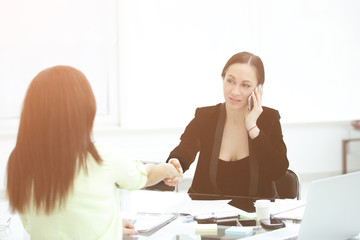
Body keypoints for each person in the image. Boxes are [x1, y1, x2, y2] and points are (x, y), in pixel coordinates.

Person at [6, 65, 182, 240]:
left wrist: (108, 223)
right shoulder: (101, 157)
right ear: (84, 112)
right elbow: (144, 175)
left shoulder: (20, 162)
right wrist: (168, 169)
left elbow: (39, 223)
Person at [165, 52, 289, 202]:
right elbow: (185, 149)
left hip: (254, 217)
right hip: (207, 215)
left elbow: (277, 170)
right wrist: (176, 162)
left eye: (245, 85)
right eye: (230, 81)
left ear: (258, 89)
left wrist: (253, 128)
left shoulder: (269, 119)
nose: (235, 91)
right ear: (223, 79)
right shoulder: (206, 117)